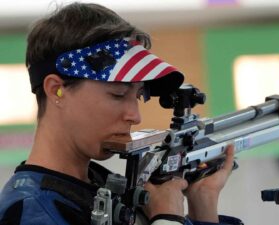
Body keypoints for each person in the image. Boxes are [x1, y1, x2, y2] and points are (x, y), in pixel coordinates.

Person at [0, 3, 243, 225]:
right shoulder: (28, 211)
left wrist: (203, 203)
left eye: (137, 95)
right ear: (57, 90)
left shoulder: (101, 186)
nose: (135, 116)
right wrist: (167, 218)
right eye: (117, 94)